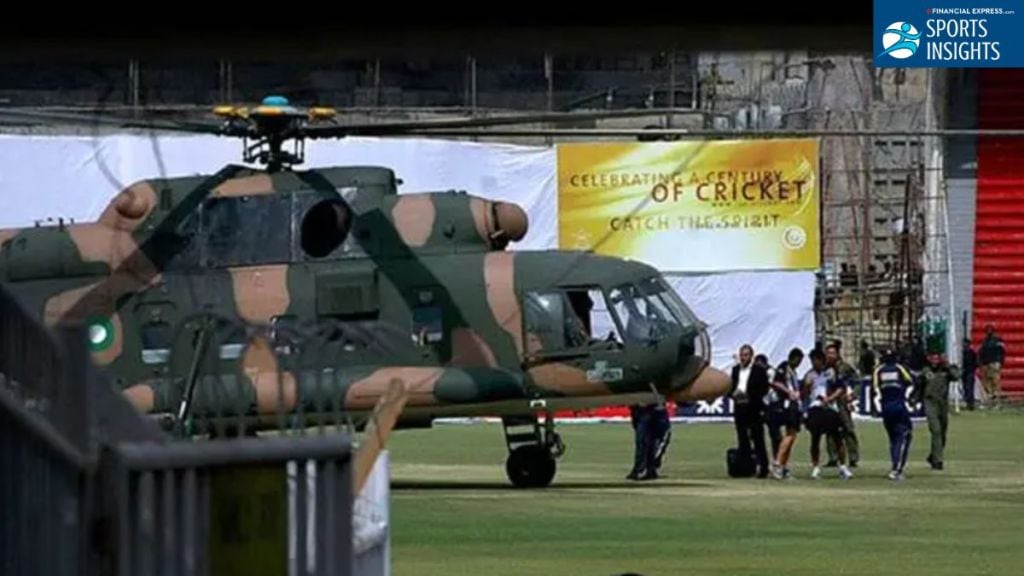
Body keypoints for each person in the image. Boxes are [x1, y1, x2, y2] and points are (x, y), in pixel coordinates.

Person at [803, 348, 853, 480]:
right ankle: (815, 468)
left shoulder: (830, 372)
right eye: (812, 361)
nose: (814, 363)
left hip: (831, 408)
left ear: (821, 360)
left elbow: (840, 388)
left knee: (838, 439)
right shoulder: (809, 375)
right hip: (815, 408)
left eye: (816, 360)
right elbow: (805, 394)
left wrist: (830, 398)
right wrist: (807, 388)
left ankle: (842, 467)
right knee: (815, 439)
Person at [871, 348, 916, 481]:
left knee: (893, 439)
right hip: (899, 408)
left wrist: (877, 409)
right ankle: (896, 469)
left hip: (886, 410)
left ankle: (895, 465)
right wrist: (908, 399)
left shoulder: (878, 371)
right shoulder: (899, 368)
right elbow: (911, 384)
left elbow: (875, 391)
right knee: (904, 435)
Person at [730, 344, 771, 478]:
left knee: (758, 437)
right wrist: (734, 394)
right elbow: (731, 386)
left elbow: (764, 388)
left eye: (746, 355)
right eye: (741, 355)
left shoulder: (759, 370)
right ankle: (746, 467)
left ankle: (763, 467)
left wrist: (750, 395)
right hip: (739, 406)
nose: (743, 358)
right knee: (742, 438)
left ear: (751, 356)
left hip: (753, 407)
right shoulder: (735, 370)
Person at [768, 347, 805, 480]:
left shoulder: (793, 371)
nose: (799, 364)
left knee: (792, 436)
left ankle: (783, 466)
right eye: (798, 360)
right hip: (787, 406)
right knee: (790, 435)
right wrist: (789, 392)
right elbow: (776, 382)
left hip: (794, 405)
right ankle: (777, 463)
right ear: (793, 358)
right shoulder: (784, 367)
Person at [920, 352, 960, 471]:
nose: (934, 360)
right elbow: (920, 385)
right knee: (936, 430)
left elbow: (956, 376)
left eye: (937, 357)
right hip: (930, 402)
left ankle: (933, 455)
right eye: (932, 357)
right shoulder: (926, 370)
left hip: (943, 403)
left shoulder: (946, 370)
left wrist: (947, 366)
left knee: (942, 432)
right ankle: (938, 461)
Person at [825, 342, 860, 468]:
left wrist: (853, 395)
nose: (830, 356)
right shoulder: (825, 368)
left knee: (847, 429)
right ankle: (833, 457)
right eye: (828, 353)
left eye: (832, 353)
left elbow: (857, 381)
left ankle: (853, 457)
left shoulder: (844, 367)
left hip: (841, 401)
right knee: (830, 430)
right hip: (828, 401)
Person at [978, 325, 1006, 407]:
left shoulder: (998, 340)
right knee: (987, 383)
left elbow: (1002, 352)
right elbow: (982, 352)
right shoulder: (985, 341)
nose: (988, 332)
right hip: (986, 364)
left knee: (995, 382)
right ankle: (989, 401)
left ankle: (997, 402)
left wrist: (1000, 362)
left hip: (994, 363)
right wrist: (982, 363)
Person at [961, 338, 978, 410]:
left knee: (969, 388)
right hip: (965, 372)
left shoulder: (972, 353)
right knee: (966, 388)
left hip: (970, 372)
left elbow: (976, 362)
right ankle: (968, 402)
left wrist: (972, 369)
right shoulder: (963, 352)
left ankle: (971, 404)